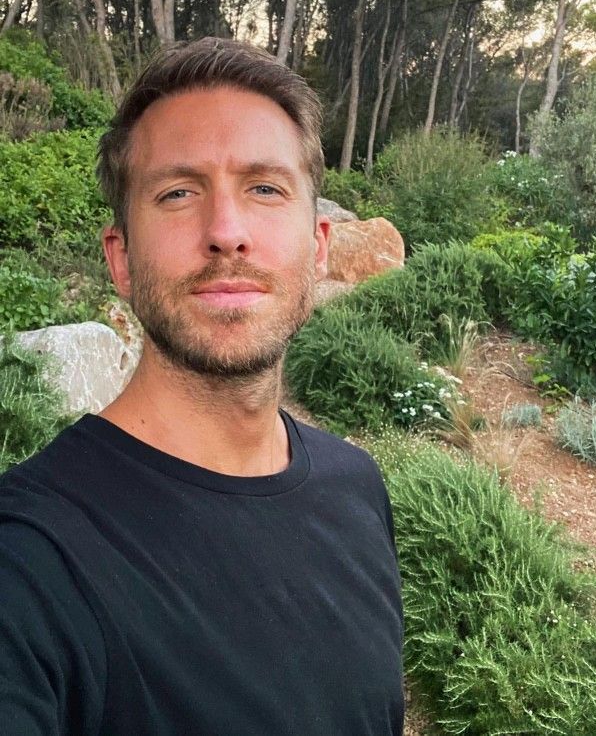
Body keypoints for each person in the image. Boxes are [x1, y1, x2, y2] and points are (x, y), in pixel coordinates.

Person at [0, 38, 404, 735]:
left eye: (265, 189)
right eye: (179, 192)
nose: (226, 232)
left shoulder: (359, 487)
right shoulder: (29, 563)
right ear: (121, 260)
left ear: (320, 247)